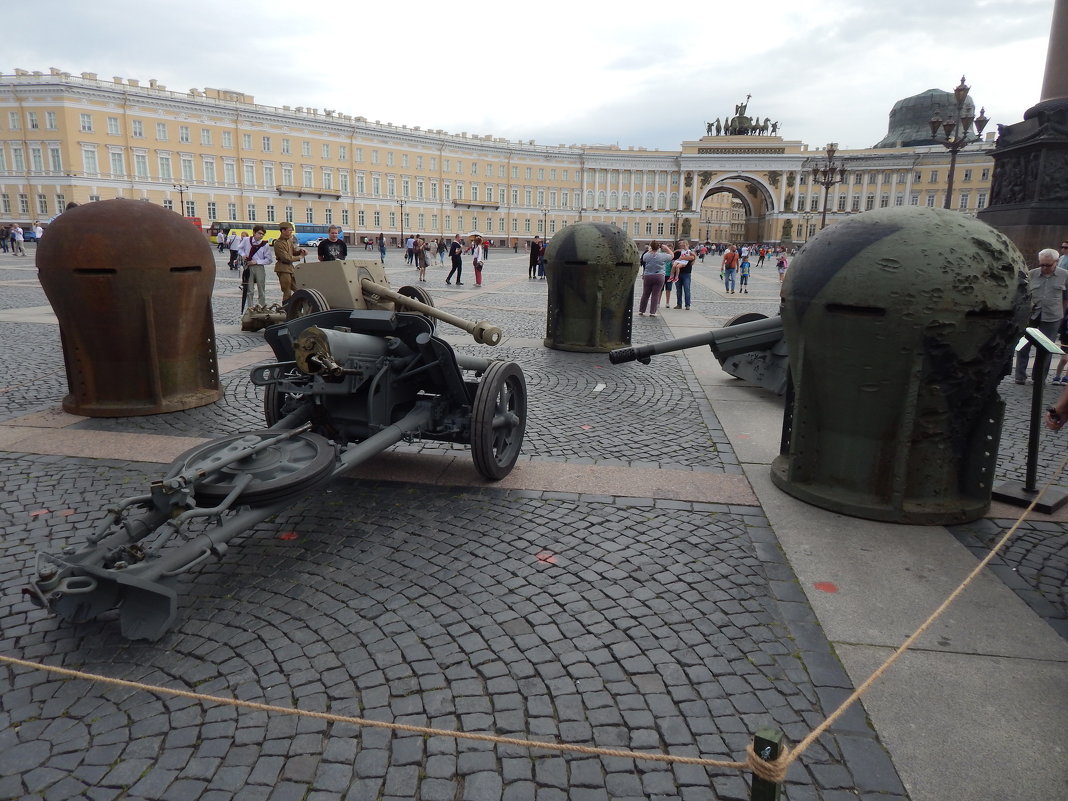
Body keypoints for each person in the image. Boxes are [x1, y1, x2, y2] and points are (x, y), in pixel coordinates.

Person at [1015, 248, 1068, 385]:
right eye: (1042, 264)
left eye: (1048, 265)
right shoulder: (1032, 274)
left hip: (1052, 316)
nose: (1044, 268)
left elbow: (1066, 298)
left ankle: (1039, 378)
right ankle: (1020, 376)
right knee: (1023, 344)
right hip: (1031, 315)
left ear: (1056, 262)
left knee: (1045, 349)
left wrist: (1061, 313)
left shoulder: (1065, 275)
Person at [272, 222, 307, 303]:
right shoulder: (278, 243)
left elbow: (293, 252)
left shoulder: (289, 241)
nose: (291, 232)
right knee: (287, 292)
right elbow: (286, 258)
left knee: (298, 289)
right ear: (283, 231)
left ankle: (296, 307)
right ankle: (286, 310)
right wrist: (300, 257)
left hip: (290, 269)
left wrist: (300, 251)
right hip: (283, 269)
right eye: (289, 230)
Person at [638, 241, 672, 316]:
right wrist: (667, 248)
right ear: (658, 247)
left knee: (645, 294)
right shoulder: (662, 256)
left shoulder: (646, 255)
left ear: (650, 246)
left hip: (648, 276)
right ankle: (652, 312)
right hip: (659, 276)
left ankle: (641, 310)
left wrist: (650, 249)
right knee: (655, 295)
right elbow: (672, 256)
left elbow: (644, 259)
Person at [242, 225, 273, 307]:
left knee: (261, 289)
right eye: (259, 233)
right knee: (249, 290)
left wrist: (257, 262)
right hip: (248, 267)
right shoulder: (246, 240)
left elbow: (269, 260)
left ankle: (262, 307)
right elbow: (239, 248)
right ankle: (250, 308)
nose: (261, 235)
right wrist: (243, 254)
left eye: (263, 234)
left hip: (259, 267)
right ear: (254, 233)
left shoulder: (265, 245)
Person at [671, 239, 696, 309]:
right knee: (678, 290)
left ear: (686, 244)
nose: (681, 245)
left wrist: (683, 258)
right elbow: (672, 260)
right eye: (680, 244)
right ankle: (679, 304)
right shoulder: (677, 253)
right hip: (678, 273)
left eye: (682, 243)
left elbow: (693, 258)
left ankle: (687, 305)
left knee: (687, 289)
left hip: (687, 273)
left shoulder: (689, 252)